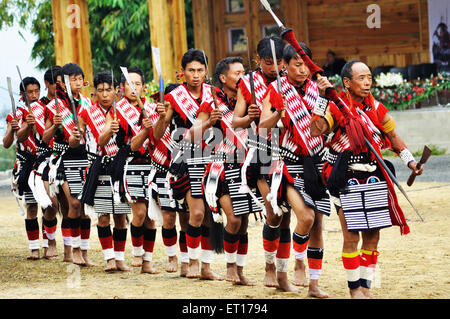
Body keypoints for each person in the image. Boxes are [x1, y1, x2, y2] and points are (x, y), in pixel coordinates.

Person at [310, 59, 424, 298]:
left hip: (373, 177)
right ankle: (354, 291)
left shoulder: (377, 109)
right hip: (345, 178)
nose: (367, 82)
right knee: (351, 236)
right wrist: (321, 98)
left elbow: (393, 137)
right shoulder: (336, 107)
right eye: (361, 78)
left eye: (370, 77)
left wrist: (411, 162)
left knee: (373, 236)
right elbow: (316, 130)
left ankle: (366, 287)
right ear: (347, 83)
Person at [258, 42, 331, 297]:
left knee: (317, 224)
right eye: (297, 65)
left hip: (316, 161)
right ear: (285, 66)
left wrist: (325, 100)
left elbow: (323, 129)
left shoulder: (318, 90)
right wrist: (278, 113)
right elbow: (262, 128)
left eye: (305, 65)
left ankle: (313, 284)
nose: (302, 70)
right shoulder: (275, 90)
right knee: (303, 218)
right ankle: (290, 265)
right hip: (288, 163)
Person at [153, 49, 222, 280]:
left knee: (210, 214)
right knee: (197, 212)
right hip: (185, 159)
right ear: (183, 73)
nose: (196, 75)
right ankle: (191, 262)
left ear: (206, 71)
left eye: (200, 70)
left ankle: (206, 266)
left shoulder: (214, 94)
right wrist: (162, 117)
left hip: (212, 158)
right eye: (191, 70)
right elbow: (157, 134)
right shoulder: (174, 97)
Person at [191, 56, 255, 285]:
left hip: (247, 166)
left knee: (245, 222)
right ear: (223, 78)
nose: (242, 77)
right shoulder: (212, 102)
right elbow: (192, 134)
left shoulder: (250, 100)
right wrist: (209, 123)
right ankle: (229, 268)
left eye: (243, 72)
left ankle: (240, 270)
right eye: (237, 73)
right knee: (234, 219)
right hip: (221, 167)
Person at [232, 36, 289, 289]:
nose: (275, 69)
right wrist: (249, 118)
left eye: (279, 64)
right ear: (258, 60)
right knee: (273, 212)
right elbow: (235, 121)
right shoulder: (247, 83)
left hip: (289, 148)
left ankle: (285, 269)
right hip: (261, 149)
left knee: (288, 215)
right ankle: (268, 266)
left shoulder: (292, 79)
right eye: (268, 63)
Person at [100, 66, 159, 274]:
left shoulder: (151, 108)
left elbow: (159, 136)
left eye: (137, 84)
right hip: (130, 165)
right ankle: (136, 253)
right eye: (129, 84)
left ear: (143, 87)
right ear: (122, 87)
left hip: (151, 164)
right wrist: (110, 130)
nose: (133, 88)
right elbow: (102, 139)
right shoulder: (116, 111)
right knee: (140, 212)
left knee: (151, 216)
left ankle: (148, 262)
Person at [76, 72, 131, 272]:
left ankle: (120, 258)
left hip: (119, 167)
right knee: (103, 216)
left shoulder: (125, 111)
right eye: (101, 90)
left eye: (109, 90)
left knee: (121, 217)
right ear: (95, 93)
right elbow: (78, 140)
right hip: (98, 166)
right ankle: (108, 258)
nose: (105, 94)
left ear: (116, 91)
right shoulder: (87, 113)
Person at [43, 63, 94, 266]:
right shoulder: (55, 107)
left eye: (80, 78)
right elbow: (46, 137)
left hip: (86, 157)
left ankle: (84, 251)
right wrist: (55, 125)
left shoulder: (88, 103)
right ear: (63, 82)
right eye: (73, 79)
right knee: (73, 203)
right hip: (64, 158)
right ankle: (71, 250)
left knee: (85, 207)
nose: (78, 83)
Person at [20, 67, 63, 260]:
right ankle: (38, 246)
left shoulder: (68, 104)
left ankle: (53, 243)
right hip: (40, 161)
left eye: (63, 82)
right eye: (56, 82)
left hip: (64, 158)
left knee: (60, 206)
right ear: (48, 84)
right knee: (40, 206)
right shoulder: (35, 109)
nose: (60, 86)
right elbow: (21, 136)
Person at [5, 76, 40, 260]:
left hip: (44, 162)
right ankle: (34, 248)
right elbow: (6, 143)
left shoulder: (44, 110)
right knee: (32, 207)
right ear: (22, 94)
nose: (34, 95)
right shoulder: (15, 115)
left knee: (52, 206)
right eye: (30, 92)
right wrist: (13, 128)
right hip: (27, 164)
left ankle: (50, 244)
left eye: (36, 91)